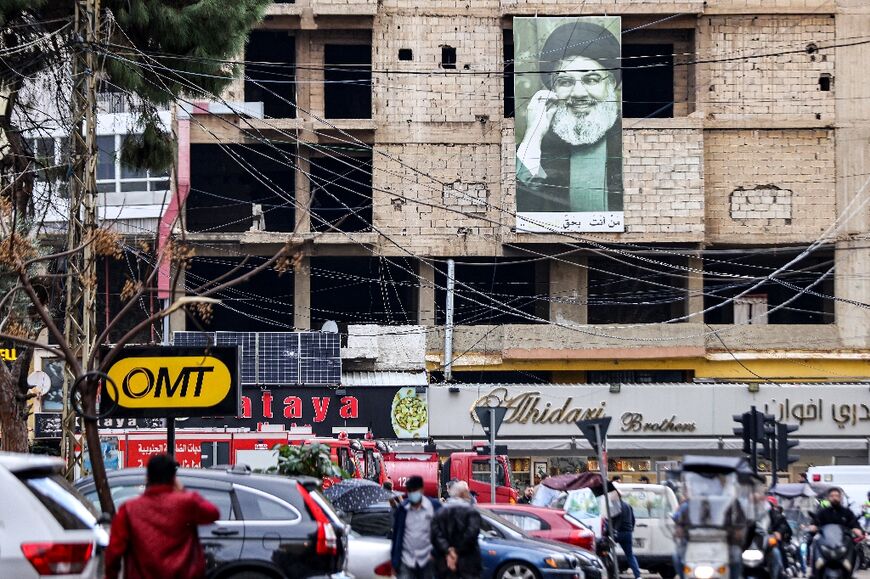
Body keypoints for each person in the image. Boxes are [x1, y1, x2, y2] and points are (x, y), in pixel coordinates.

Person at [516, 20, 623, 214]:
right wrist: (533, 134)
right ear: (553, 90)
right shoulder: (536, 147)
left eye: (591, 79)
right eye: (565, 82)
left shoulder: (631, 141)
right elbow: (520, 211)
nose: (579, 93)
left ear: (610, 85)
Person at [105, 454, 220, 579]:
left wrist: (111, 576)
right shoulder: (187, 503)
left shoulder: (129, 509)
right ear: (174, 478)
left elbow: (114, 552)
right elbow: (212, 513)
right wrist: (182, 491)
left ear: (147, 477)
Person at [392, 475, 441, 579]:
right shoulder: (403, 509)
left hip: (427, 561)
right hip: (406, 560)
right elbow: (396, 535)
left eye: (414, 490)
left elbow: (442, 533)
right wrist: (395, 561)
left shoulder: (434, 507)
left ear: (422, 490)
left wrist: (435, 554)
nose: (412, 493)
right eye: (409, 491)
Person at [808, 488, 865, 577]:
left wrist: (857, 529)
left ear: (841, 498)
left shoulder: (847, 512)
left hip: (843, 544)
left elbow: (854, 523)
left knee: (856, 547)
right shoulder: (823, 512)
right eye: (832, 496)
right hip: (826, 543)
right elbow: (815, 522)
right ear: (828, 498)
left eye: (837, 496)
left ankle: (853, 571)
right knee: (812, 543)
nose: (834, 498)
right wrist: (813, 527)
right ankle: (813, 571)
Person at [431, 480, 482, 579]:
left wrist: (448, 550)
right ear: (464, 493)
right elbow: (472, 534)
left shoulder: (440, 512)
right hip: (468, 561)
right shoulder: (471, 512)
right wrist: (457, 550)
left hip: (444, 562)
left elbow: (435, 534)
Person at [613, 492, 641, 579]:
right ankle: (638, 576)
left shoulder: (615, 507)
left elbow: (613, 521)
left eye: (612, 495)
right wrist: (630, 529)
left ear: (617, 496)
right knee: (630, 555)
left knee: (608, 551)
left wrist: (610, 531)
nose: (611, 497)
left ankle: (612, 572)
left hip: (618, 533)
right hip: (628, 533)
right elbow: (633, 519)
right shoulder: (628, 506)